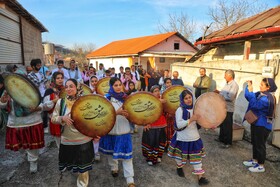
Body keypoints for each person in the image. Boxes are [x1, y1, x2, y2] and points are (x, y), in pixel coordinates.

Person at [51, 79, 94, 187]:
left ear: (77, 87)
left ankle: (82, 184)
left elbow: (93, 120)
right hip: (67, 139)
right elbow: (53, 118)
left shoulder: (85, 101)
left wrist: (95, 133)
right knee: (73, 164)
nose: (68, 89)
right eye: (67, 87)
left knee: (83, 166)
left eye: (71, 86)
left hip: (84, 139)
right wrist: (62, 118)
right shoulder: (61, 102)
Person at [0, 88, 51, 173]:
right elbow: (2, 106)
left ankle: (33, 161)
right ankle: (28, 154)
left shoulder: (31, 89)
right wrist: (3, 101)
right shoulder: (9, 90)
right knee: (21, 147)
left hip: (32, 122)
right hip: (15, 123)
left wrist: (36, 108)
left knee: (32, 146)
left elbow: (42, 105)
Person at [167, 89, 209, 186]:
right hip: (182, 138)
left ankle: (200, 177)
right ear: (182, 100)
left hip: (194, 137)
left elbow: (201, 120)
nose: (189, 100)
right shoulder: (180, 110)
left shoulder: (196, 109)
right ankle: (179, 167)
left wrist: (209, 125)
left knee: (197, 158)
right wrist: (191, 119)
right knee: (179, 156)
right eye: (186, 98)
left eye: (190, 97)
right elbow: (179, 124)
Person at [99, 77, 135, 187]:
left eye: (120, 84)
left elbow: (135, 112)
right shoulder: (106, 99)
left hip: (124, 130)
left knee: (127, 156)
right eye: (115, 85)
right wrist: (116, 113)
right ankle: (114, 168)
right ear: (111, 86)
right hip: (111, 130)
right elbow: (102, 116)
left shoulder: (127, 98)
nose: (119, 87)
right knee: (111, 153)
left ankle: (130, 180)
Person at [243, 78, 277, 173]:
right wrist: (248, 87)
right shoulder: (261, 94)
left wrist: (251, 92)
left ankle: (261, 165)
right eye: (260, 84)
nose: (260, 86)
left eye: (262, 85)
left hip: (263, 125)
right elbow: (248, 96)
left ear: (268, 87)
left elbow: (254, 105)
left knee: (260, 145)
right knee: (255, 142)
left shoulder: (267, 98)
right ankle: (255, 160)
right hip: (256, 122)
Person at [142, 85, 167, 166]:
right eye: (155, 91)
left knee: (160, 141)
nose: (157, 92)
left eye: (158, 90)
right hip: (151, 124)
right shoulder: (148, 101)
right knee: (151, 141)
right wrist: (145, 123)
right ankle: (150, 157)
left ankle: (158, 156)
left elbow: (167, 110)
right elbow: (144, 114)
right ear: (151, 93)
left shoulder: (163, 100)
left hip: (161, 124)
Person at [214, 70, 239, 148]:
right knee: (223, 124)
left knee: (228, 126)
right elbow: (224, 93)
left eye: (225, 75)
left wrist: (220, 95)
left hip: (228, 108)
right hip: (223, 107)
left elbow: (230, 97)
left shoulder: (234, 85)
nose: (224, 77)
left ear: (230, 76)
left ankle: (228, 142)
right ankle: (222, 138)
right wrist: (219, 92)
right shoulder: (227, 84)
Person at [43, 72, 64, 148]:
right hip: (55, 118)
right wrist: (53, 101)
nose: (60, 80)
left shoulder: (65, 89)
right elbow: (45, 106)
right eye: (58, 78)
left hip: (65, 118)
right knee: (59, 142)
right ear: (54, 79)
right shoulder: (49, 91)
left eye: (61, 78)